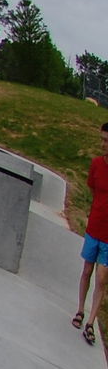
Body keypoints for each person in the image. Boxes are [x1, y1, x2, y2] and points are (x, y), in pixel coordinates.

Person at [72, 122, 108, 346]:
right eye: (103, 140)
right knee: (87, 269)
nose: (104, 144)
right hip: (94, 228)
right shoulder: (96, 164)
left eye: (107, 141)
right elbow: (93, 189)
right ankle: (80, 309)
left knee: (102, 278)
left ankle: (91, 323)